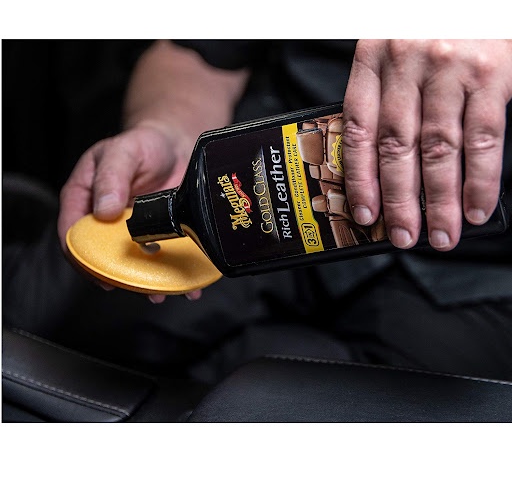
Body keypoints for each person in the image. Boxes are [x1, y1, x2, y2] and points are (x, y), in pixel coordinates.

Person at [51, 39, 512, 383]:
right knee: (85, 333)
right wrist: (169, 129)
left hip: (475, 278)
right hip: (268, 173)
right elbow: (203, 51)